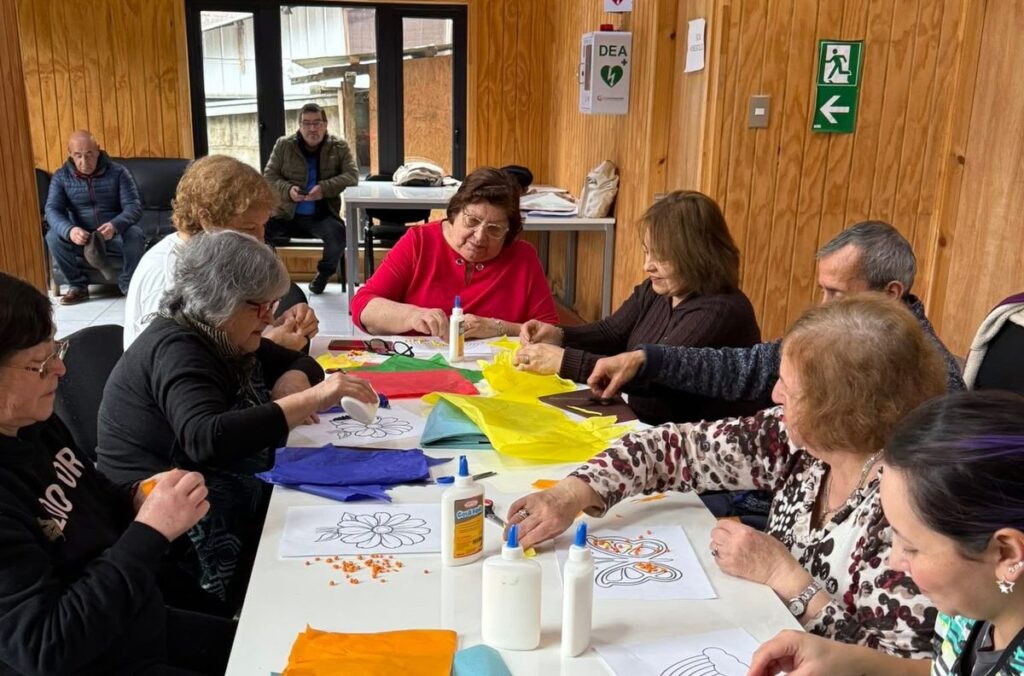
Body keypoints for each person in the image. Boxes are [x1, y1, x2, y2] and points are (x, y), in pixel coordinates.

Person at [507, 295, 946, 658]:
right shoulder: (795, 440)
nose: (774, 394)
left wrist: (786, 577)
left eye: (789, 389)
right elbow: (672, 447)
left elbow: (900, 666)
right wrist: (570, 494)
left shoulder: (910, 504)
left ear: (841, 411)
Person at [97, 231, 376, 609]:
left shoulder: (220, 332)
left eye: (272, 305)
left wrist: (291, 380)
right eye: (261, 307)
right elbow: (207, 438)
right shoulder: (180, 348)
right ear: (221, 300)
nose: (270, 317)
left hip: (208, 490)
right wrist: (312, 397)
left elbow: (301, 361)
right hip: (165, 519)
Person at [0, 271, 235, 674]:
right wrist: (150, 531)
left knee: (270, 645)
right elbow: (47, 647)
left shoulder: (31, 422)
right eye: (39, 365)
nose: (60, 370)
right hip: (87, 653)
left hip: (126, 618)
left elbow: (90, 493)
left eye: (56, 350)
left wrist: (135, 496)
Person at [748, 391, 1024, 675]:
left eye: (912, 547)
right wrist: (850, 662)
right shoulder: (973, 601)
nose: (894, 561)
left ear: (1006, 554)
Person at [586, 221, 965, 404]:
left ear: (891, 293)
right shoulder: (837, 333)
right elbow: (743, 367)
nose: (824, 306)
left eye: (836, 293)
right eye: (823, 290)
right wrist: (647, 360)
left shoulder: (934, 382)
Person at [514, 190, 762, 424]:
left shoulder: (722, 311)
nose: (647, 266)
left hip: (689, 440)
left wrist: (563, 361)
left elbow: (656, 378)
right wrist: (559, 335)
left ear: (698, 255)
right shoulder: (657, 289)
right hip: (642, 423)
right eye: (647, 252)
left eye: (661, 256)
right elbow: (612, 332)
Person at [124, 154, 319, 351]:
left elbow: (230, 330)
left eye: (263, 226)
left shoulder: (217, 258)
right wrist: (271, 345)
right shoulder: (168, 272)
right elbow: (170, 358)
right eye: (249, 228)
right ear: (206, 220)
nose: (260, 240)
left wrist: (279, 324)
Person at [352, 166, 559, 337]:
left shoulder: (523, 257)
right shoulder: (419, 242)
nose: (479, 237)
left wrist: (498, 328)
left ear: (509, 233)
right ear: (455, 212)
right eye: (472, 221)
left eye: (495, 229)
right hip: (421, 365)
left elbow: (551, 332)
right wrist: (412, 316)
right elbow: (363, 307)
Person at [263, 103, 359, 295]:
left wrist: (324, 189)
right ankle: (274, 278)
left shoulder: (339, 146)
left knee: (339, 235)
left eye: (317, 123)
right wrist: (288, 190)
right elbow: (269, 176)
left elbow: (352, 175)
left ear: (325, 124)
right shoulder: (284, 145)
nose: (312, 128)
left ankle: (324, 275)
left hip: (322, 215)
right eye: (306, 123)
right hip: (285, 213)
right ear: (299, 125)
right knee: (258, 233)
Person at [44, 130, 145, 304]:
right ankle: (78, 286)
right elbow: (52, 210)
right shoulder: (61, 176)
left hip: (112, 236)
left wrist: (115, 226)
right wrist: (70, 230)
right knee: (52, 237)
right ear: (70, 154)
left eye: (89, 154)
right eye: (78, 156)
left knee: (135, 234)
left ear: (98, 150)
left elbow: (134, 206)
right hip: (81, 238)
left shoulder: (119, 172)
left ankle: (129, 285)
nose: (84, 162)